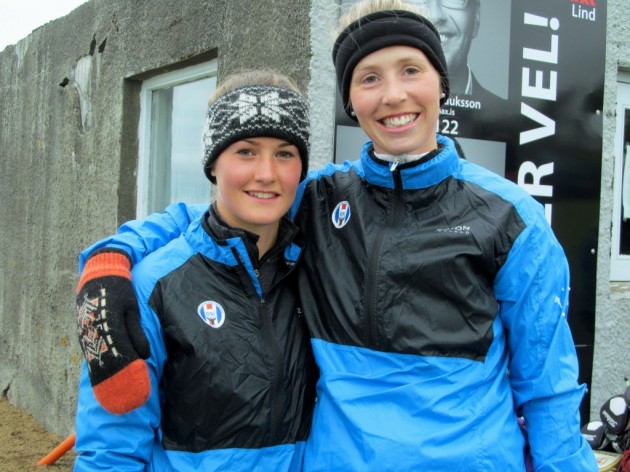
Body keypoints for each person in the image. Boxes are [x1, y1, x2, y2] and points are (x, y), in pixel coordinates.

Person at [75, 1, 598, 470]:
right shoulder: (320, 200)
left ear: (441, 82)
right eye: (369, 78)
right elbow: (221, 215)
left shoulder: (512, 219)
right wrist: (110, 259)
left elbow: (548, 390)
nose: (393, 95)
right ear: (350, 100)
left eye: (410, 70)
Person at [73, 70, 317, 471]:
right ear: (213, 163)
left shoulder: (316, 267)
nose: (267, 173)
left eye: (285, 153)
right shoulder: (153, 286)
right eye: (246, 151)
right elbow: (111, 451)